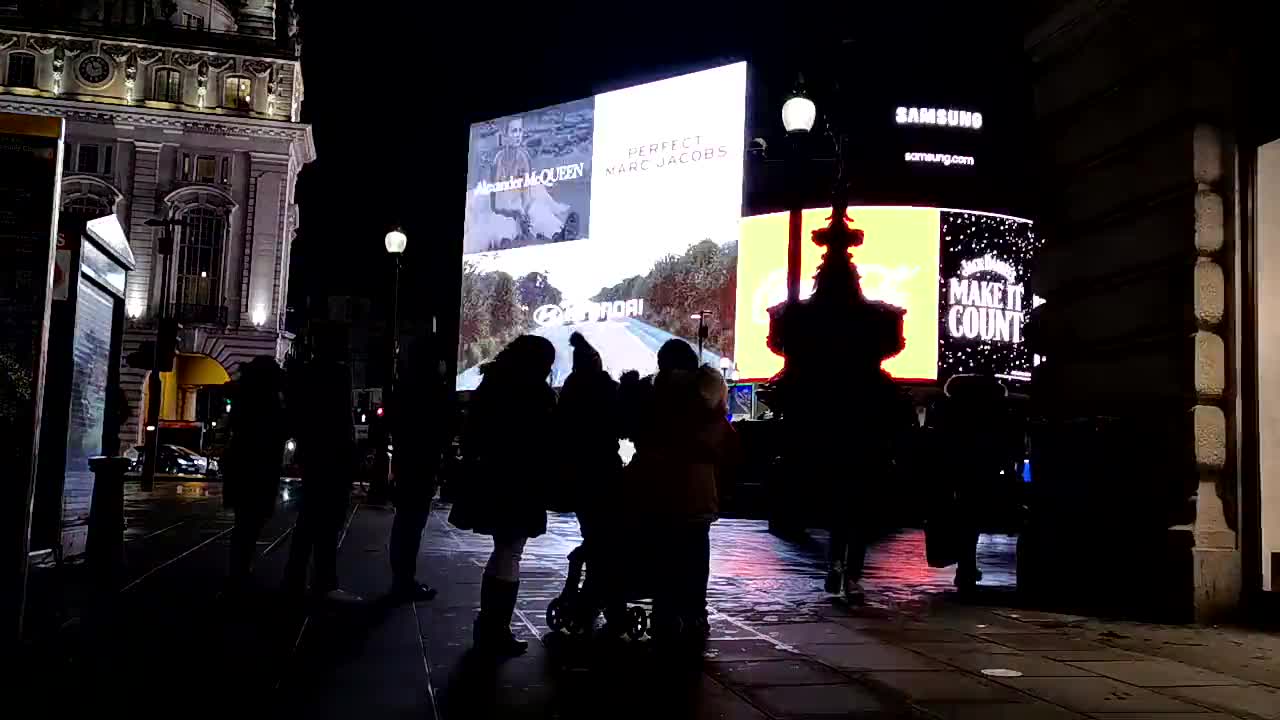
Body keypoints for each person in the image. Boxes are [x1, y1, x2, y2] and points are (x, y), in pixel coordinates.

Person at [449, 335, 556, 657]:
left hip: (494, 480)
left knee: (504, 552)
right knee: (510, 553)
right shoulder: (533, 394)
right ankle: (496, 628)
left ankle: (490, 627)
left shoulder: (494, 385)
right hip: (520, 482)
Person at [628, 339, 739, 643]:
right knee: (696, 552)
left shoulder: (661, 394)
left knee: (665, 551)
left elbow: (645, 435)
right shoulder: (711, 392)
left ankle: (666, 612)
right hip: (700, 486)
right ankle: (694, 612)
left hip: (663, 486)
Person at [284, 325, 359, 602]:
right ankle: (324, 582)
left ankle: (295, 578)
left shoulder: (309, 372)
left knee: (309, 521)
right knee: (327, 522)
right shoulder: (336, 374)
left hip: (316, 455)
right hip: (332, 457)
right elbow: (341, 420)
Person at [554, 333, 621, 624]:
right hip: (604, 471)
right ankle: (597, 593)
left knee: (593, 534)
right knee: (606, 535)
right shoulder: (605, 387)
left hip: (578, 474)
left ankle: (591, 594)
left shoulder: (571, 388)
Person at [929, 374, 1019, 590]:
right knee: (973, 519)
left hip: (954, 471)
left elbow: (937, 442)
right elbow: (1007, 444)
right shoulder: (995, 411)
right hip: (983, 471)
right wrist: (1008, 471)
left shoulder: (947, 409)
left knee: (960, 517)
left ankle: (964, 563)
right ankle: (967, 565)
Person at [387, 339, 450, 601]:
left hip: (406, 461)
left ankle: (401, 579)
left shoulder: (403, 387)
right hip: (422, 464)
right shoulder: (433, 390)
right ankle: (404, 582)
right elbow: (440, 430)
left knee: (404, 523)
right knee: (412, 525)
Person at [223, 355, 287, 594]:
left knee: (245, 522)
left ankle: (239, 570)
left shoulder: (244, 399)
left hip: (243, 465)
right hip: (259, 467)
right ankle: (240, 572)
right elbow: (281, 429)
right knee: (251, 521)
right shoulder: (267, 403)